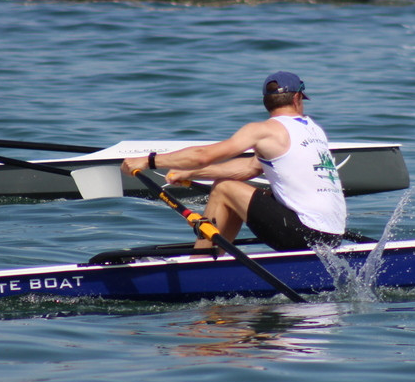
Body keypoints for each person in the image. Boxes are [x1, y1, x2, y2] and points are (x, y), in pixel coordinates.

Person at [121, 72, 347, 253]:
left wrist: (149, 161)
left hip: (302, 235)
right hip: (333, 236)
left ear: (265, 102)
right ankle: (215, 260)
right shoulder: (314, 130)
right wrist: (190, 173)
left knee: (224, 188)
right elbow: (250, 168)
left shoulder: (263, 131)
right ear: (298, 98)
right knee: (232, 186)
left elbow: (202, 154)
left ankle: (199, 264)